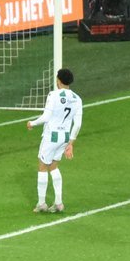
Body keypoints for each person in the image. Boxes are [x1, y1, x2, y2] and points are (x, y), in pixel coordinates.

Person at [27, 68, 83, 212]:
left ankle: (41, 203)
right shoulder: (77, 99)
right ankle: (58, 203)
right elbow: (77, 124)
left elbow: (46, 117)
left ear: (58, 80)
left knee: (42, 167)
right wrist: (71, 143)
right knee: (54, 167)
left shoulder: (53, 95)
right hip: (64, 137)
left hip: (51, 136)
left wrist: (32, 123)